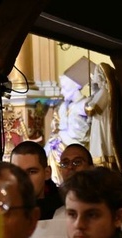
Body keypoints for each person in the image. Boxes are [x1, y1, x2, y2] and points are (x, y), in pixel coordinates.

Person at [29, 143, 122, 238]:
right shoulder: (54, 207)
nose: (70, 167)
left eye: (77, 162)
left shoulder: (111, 202)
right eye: (65, 163)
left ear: (91, 167)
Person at [45, 57, 92, 185]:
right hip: (61, 143)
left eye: (65, 87)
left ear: (76, 86)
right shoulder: (63, 106)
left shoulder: (84, 104)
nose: (62, 91)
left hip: (78, 143)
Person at [10, 140, 62, 220]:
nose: (24, 179)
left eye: (32, 172)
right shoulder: (1, 213)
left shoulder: (66, 212)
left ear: (47, 173)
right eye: (18, 172)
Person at [85, 62, 122, 170]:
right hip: (100, 123)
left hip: (101, 126)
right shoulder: (103, 91)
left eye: (96, 75)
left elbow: (92, 110)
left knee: (100, 148)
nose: (94, 78)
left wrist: (87, 102)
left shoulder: (104, 91)